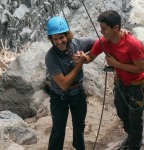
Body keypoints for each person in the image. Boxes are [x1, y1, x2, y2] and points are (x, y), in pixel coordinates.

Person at [74, 10, 144, 150]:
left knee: (135, 118)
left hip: (137, 86)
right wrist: (83, 59)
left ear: (116, 28)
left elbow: (140, 68)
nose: (102, 32)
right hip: (120, 84)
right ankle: (131, 137)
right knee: (122, 113)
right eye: (101, 28)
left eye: (104, 29)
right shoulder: (104, 42)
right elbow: (91, 57)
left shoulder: (133, 44)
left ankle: (135, 145)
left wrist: (116, 64)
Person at [45, 16, 95, 150]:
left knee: (79, 126)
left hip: (78, 94)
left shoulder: (78, 44)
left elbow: (101, 43)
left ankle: (79, 147)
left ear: (67, 35)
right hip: (59, 96)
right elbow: (64, 84)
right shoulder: (51, 57)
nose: (58, 42)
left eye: (61, 37)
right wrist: (79, 64)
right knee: (58, 130)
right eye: (54, 39)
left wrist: (88, 56)